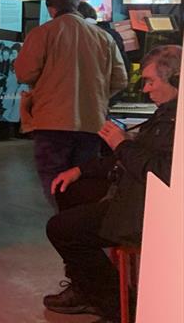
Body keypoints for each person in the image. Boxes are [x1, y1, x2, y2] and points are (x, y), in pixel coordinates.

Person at [43, 45, 180, 321]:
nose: (146, 90)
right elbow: (139, 152)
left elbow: (163, 171)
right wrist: (81, 170)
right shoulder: (167, 112)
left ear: (175, 81)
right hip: (134, 191)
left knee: (61, 229)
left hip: (148, 209)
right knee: (70, 190)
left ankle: (117, 307)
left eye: (151, 82)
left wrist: (120, 146)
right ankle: (86, 286)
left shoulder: (176, 120)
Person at [14, 0, 128, 207]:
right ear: (78, 4)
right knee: (84, 178)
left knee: (53, 180)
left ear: (50, 7)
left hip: (51, 123)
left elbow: (24, 73)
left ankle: (64, 226)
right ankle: (78, 225)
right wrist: (97, 97)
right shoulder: (104, 37)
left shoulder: (42, 34)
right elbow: (120, 79)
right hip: (91, 123)